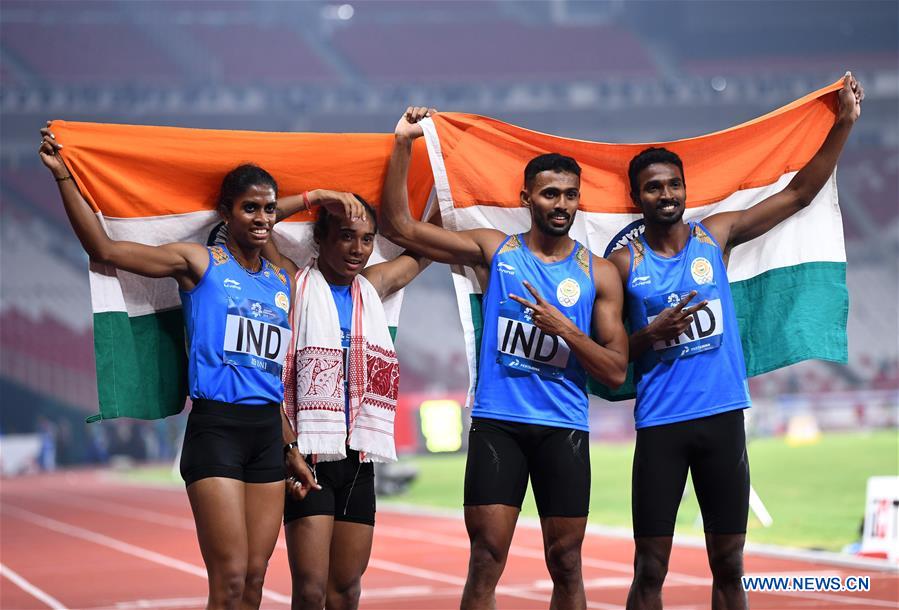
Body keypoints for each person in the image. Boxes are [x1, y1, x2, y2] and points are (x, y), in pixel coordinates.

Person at [38, 124, 356, 610]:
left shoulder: (283, 279)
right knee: (228, 583)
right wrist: (64, 178)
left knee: (254, 580)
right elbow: (106, 250)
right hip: (217, 430)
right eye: (250, 207)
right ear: (225, 212)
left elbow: (267, 373)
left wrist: (289, 443)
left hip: (268, 436)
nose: (264, 217)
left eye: (270, 208)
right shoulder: (200, 264)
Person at [606, 73, 863, 610]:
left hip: (723, 417)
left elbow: (798, 194)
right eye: (653, 187)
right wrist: (649, 335)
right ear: (637, 197)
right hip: (660, 426)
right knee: (650, 568)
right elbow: (607, 358)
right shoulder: (623, 263)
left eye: (673, 184)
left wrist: (841, 125)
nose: (666, 194)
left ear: (685, 188)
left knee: (729, 566)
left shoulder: (715, 235)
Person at [381, 107, 629, 610]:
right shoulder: (496, 253)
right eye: (549, 193)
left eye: (569, 195)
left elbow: (616, 370)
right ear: (526, 198)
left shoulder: (599, 274)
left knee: (566, 563)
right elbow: (400, 225)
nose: (561, 204)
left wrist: (564, 331)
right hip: (500, 424)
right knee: (487, 559)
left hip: (564, 428)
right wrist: (404, 144)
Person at [258, 192, 431, 610]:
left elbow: (426, 245)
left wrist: (448, 182)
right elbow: (263, 224)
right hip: (311, 454)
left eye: (368, 239)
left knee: (347, 590)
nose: (358, 249)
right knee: (311, 591)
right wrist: (315, 196)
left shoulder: (372, 287)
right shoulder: (292, 282)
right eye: (346, 236)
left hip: (359, 457)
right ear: (321, 237)